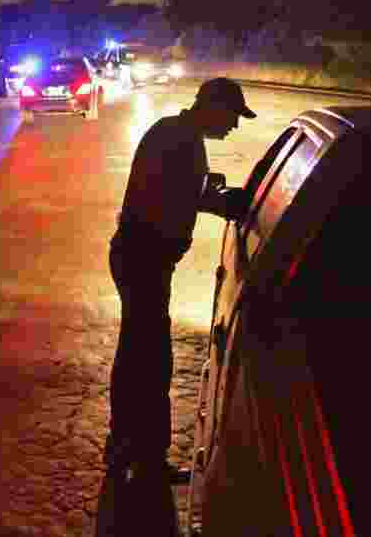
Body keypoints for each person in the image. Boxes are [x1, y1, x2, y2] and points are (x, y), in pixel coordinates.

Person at [99, 77, 256, 535]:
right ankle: (143, 457)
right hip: (143, 257)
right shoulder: (180, 138)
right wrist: (227, 203)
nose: (233, 128)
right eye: (232, 117)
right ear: (213, 106)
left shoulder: (178, 134)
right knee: (149, 358)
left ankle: (129, 447)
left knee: (139, 354)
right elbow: (183, 195)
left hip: (141, 255)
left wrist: (220, 201)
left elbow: (188, 194)